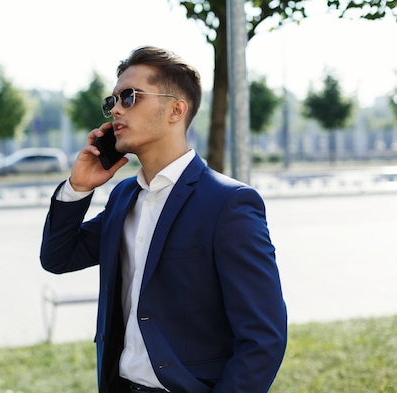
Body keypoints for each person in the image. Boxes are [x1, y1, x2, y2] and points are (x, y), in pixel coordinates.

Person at [40, 45, 287, 393]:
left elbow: (263, 338)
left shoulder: (228, 204)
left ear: (175, 109)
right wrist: (78, 187)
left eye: (129, 97)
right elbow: (57, 257)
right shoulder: (124, 198)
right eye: (111, 102)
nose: (116, 111)